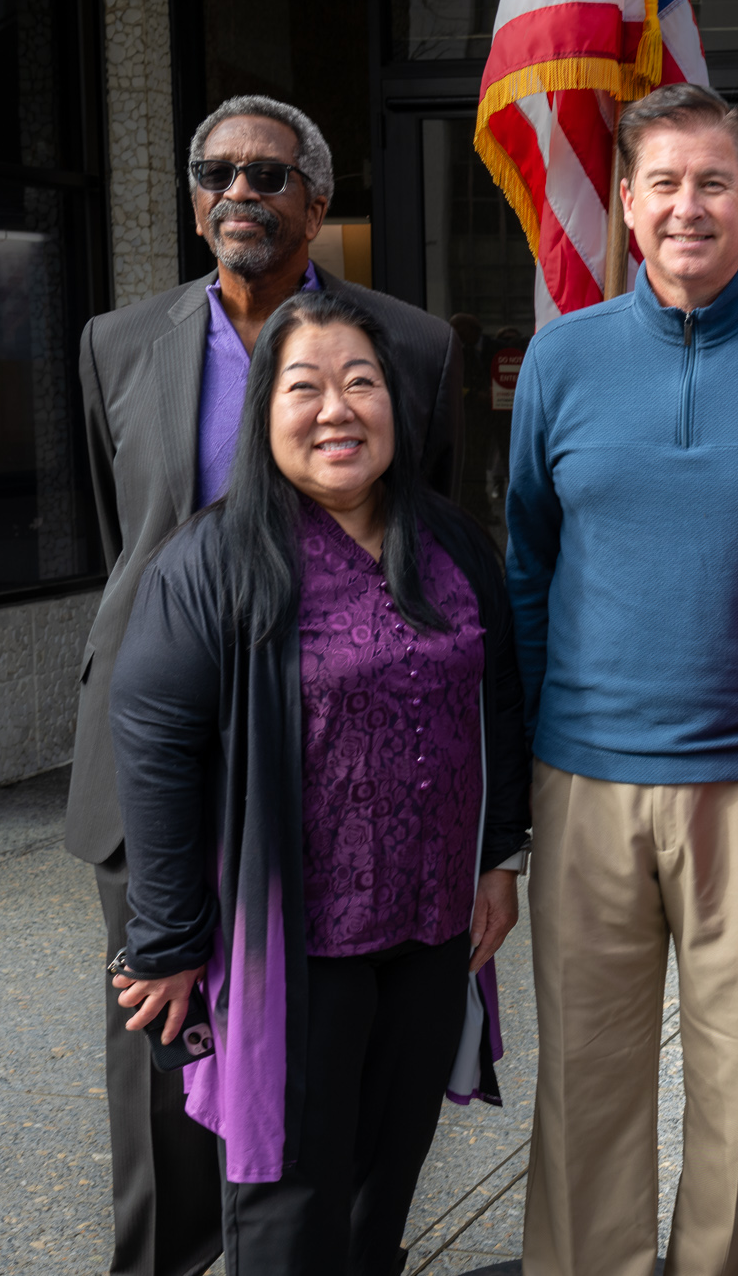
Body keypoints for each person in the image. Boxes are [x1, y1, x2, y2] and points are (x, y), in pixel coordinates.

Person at [64, 94, 463, 1276]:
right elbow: (125, 538)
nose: (241, 189)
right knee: (166, 1039)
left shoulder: (412, 346)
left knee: (329, 1054)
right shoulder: (115, 343)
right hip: (156, 754)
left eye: (269, 174)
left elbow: (419, 535)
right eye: (216, 171)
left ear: (316, 202)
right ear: (193, 199)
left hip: (339, 749)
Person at [506, 82, 738, 1276]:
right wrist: (518, 776)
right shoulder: (559, 363)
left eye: (711, 181)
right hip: (584, 779)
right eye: (661, 182)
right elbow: (527, 565)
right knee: (587, 1078)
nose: (686, 206)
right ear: (623, 201)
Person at [107, 292, 527, 1275]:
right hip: (295, 948)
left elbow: (497, 704)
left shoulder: (454, 545)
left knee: (382, 1189)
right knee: (290, 1207)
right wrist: (167, 944)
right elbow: (157, 751)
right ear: (263, 411)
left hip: (431, 932)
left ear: (400, 406)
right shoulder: (211, 562)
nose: (336, 408)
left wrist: (500, 855)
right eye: (304, 386)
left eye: (361, 382)